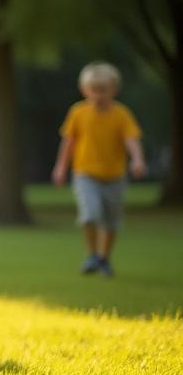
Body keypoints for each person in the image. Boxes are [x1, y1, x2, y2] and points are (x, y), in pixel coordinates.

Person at [51, 62, 147, 277]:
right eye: (93, 90)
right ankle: (92, 254)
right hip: (85, 174)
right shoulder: (78, 113)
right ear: (84, 90)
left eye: (103, 90)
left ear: (114, 90)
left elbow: (131, 139)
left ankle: (104, 258)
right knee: (90, 215)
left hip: (114, 176)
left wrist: (138, 159)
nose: (98, 95)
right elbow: (69, 142)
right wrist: (60, 167)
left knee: (111, 222)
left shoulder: (121, 114)